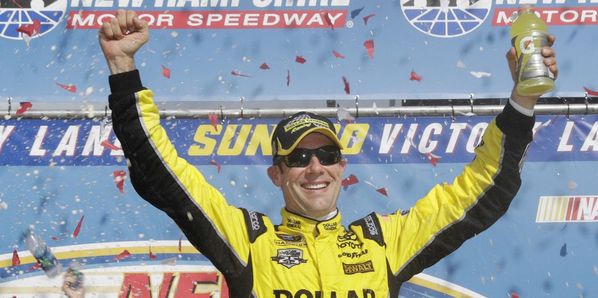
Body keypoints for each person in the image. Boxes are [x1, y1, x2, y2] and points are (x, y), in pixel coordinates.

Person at [99, 9, 558, 297]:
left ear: (343, 167)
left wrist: (523, 100)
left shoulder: (385, 242)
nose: (314, 167)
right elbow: (163, 169)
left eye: (325, 154)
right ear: (276, 175)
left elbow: (485, 190)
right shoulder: (249, 240)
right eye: (298, 158)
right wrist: (123, 67)